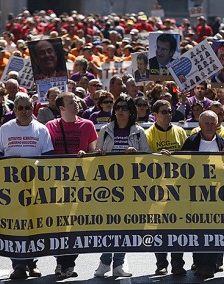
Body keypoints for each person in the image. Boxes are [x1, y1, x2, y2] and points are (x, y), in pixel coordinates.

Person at [0, 93, 53, 280]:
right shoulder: (5, 129)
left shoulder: (42, 130)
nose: (25, 111)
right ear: (15, 110)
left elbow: (49, 158)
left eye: (28, 108)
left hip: (35, 187)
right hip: (11, 188)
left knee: (34, 225)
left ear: (32, 109)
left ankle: (32, 263)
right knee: (15, 225)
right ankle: (18, 264)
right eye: (21, 108)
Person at [93, 95, 149, 278]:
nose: (120, 111)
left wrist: (136, 154)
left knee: (125, 225)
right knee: (108, 225)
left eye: (124, 107)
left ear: (131, 111)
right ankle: (104, 262)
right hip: (109, 187)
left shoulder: (139, 132)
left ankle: (118, 263)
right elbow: (97, 156)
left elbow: (146, 160)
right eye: (117, 107)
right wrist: (99, 154)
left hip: (130, 187)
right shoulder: (105, 130)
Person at [45, 92, 98, 279]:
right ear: (61, 108)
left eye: (76, 100)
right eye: (71, 102)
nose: (76, 103)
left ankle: (69, 263)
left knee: (76, 225)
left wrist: (88, 155)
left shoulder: (88, 125)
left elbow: (94, 152)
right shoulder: (50, 126)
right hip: (56, 184)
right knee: (57, 226)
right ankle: (60, 260)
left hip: (80, 183)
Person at [181, 110, 224, 278]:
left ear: (218, 124)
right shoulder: (190, 142)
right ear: (199, 125)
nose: (210, 127)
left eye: (213, 123)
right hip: (195, 196)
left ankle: (211, 264)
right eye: (207, 123)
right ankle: (198, 261)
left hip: (217, 196)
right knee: (197, 230)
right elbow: (180, 164)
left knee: (216, 230)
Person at [145, 99, 188, 275]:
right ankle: (161, 263)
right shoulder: (148, 134)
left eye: (170, 111)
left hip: (178, 188)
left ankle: (178, 264)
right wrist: (157, 157)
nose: (168, 115)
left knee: (179, 227)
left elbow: (188, 156)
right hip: (157, 189)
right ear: (154, 115)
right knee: (159, 228)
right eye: (163, 112)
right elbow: (144, 160)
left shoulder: (180, 132)